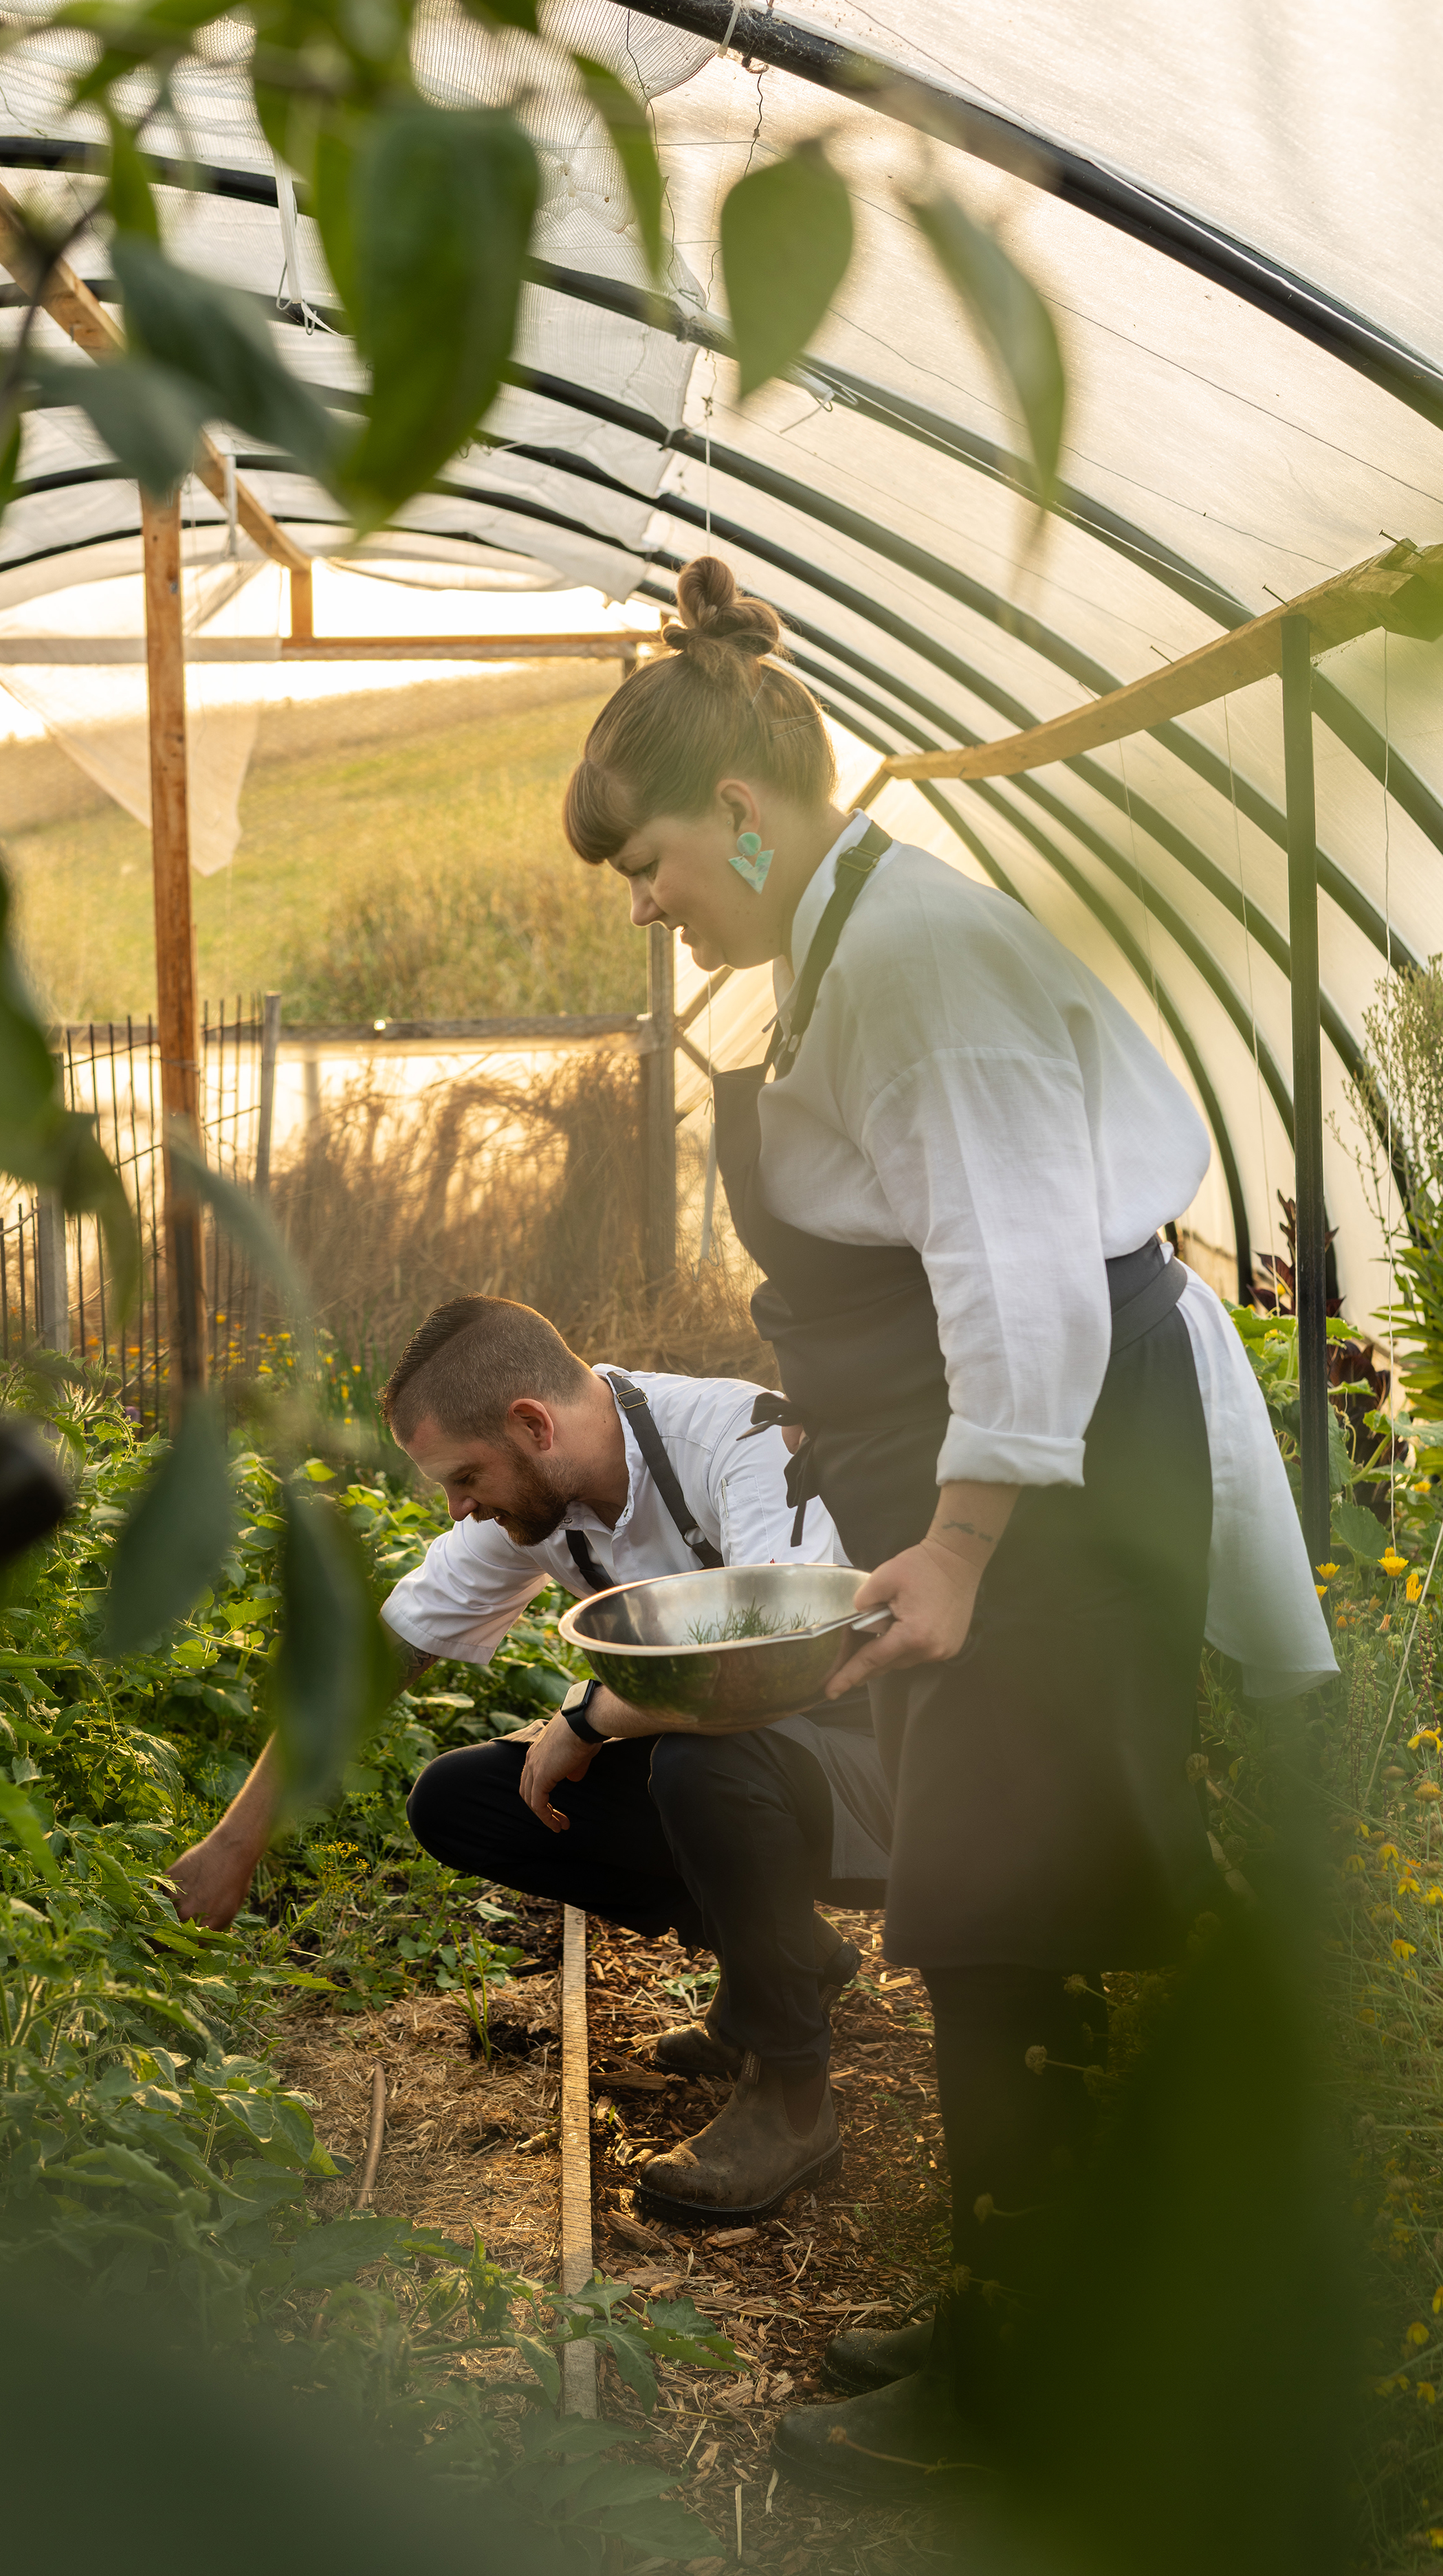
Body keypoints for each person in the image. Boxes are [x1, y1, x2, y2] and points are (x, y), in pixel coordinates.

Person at [559, 555, 1336, 2498]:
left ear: (738, 809)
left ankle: (1028, 2386)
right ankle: (1017, 2303)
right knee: (990, 1909)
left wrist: (968, 1547)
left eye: (644, 858)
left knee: (1010, 1909)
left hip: (1053, 1497)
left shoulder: (914, 969)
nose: (643, 901)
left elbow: (1026, 1291)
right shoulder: (843, 948)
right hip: (995, 1491)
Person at [169, 1293, 897, 2220]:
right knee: (460, 1800)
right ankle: (780, 1972)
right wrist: (237, 1840)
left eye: (465, 1476)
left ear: (532, 1425)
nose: (457, 1505)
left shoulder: (743, 1443)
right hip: (744, 1761)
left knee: (699, 1766)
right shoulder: (540, 1503)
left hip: (873, 1767)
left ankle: (793, 2099)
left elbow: (774, 1666)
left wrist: (589, 1717)